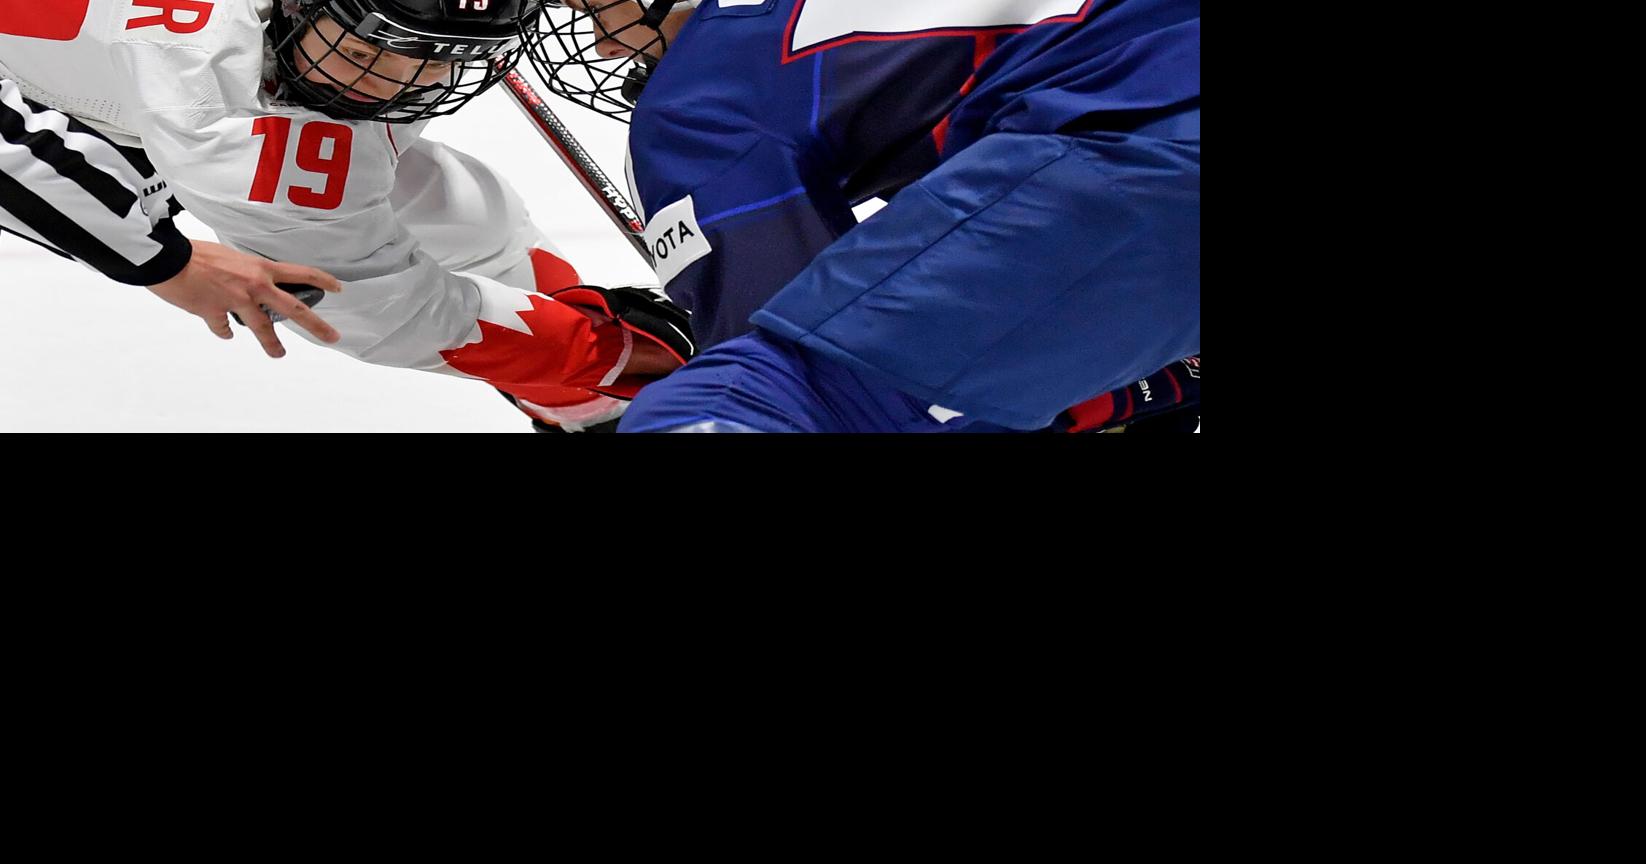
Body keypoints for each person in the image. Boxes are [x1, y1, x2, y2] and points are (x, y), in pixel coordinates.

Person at [1, 0, 692, 430]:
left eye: (433, 61)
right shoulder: (220, 127)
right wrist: (608, 355)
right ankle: (586, 401)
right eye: (363, 51)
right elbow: (394, 314)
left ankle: (572, 398)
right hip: (73, 98)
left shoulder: (312, 55)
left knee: (460, 213)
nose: (390, 87)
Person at [528, 0, 1199, 432]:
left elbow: (809, 357)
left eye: (598, 11)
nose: (606, 46)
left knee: (752, 397)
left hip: (1138, 156)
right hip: (1148, 126)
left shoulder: (698, 93)